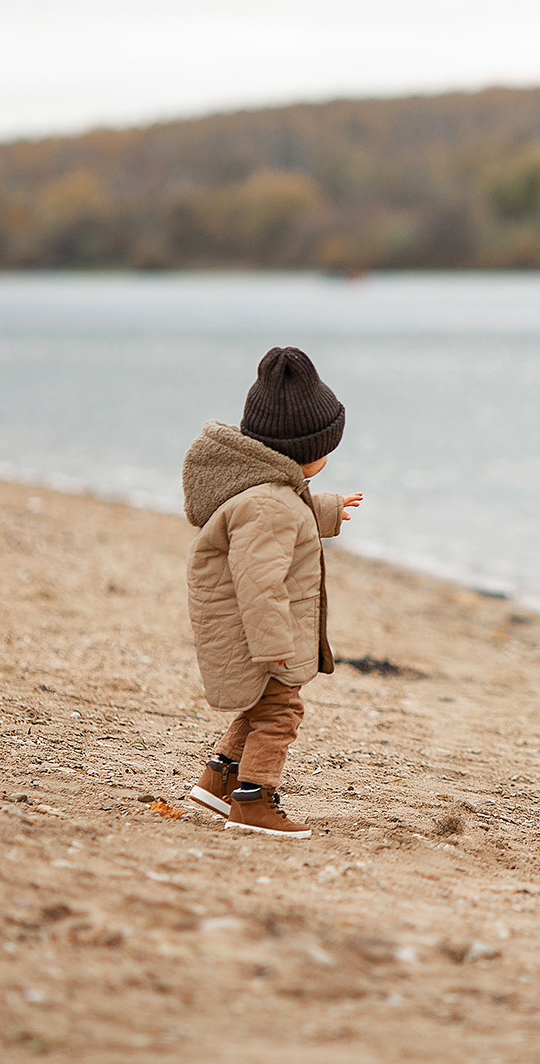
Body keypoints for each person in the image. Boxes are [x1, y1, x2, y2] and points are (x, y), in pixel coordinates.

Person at [181, 346, 363, 838]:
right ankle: (253, 801)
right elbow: (259, 580)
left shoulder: (264, 492)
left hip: (251, 633)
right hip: (261, 637)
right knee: (281, 712)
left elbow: (286, 516)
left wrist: (328, 508)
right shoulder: (270, 507)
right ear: (306, 451)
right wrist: (273, 646)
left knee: (261, 706)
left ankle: (219, 780)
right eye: (327, 447)